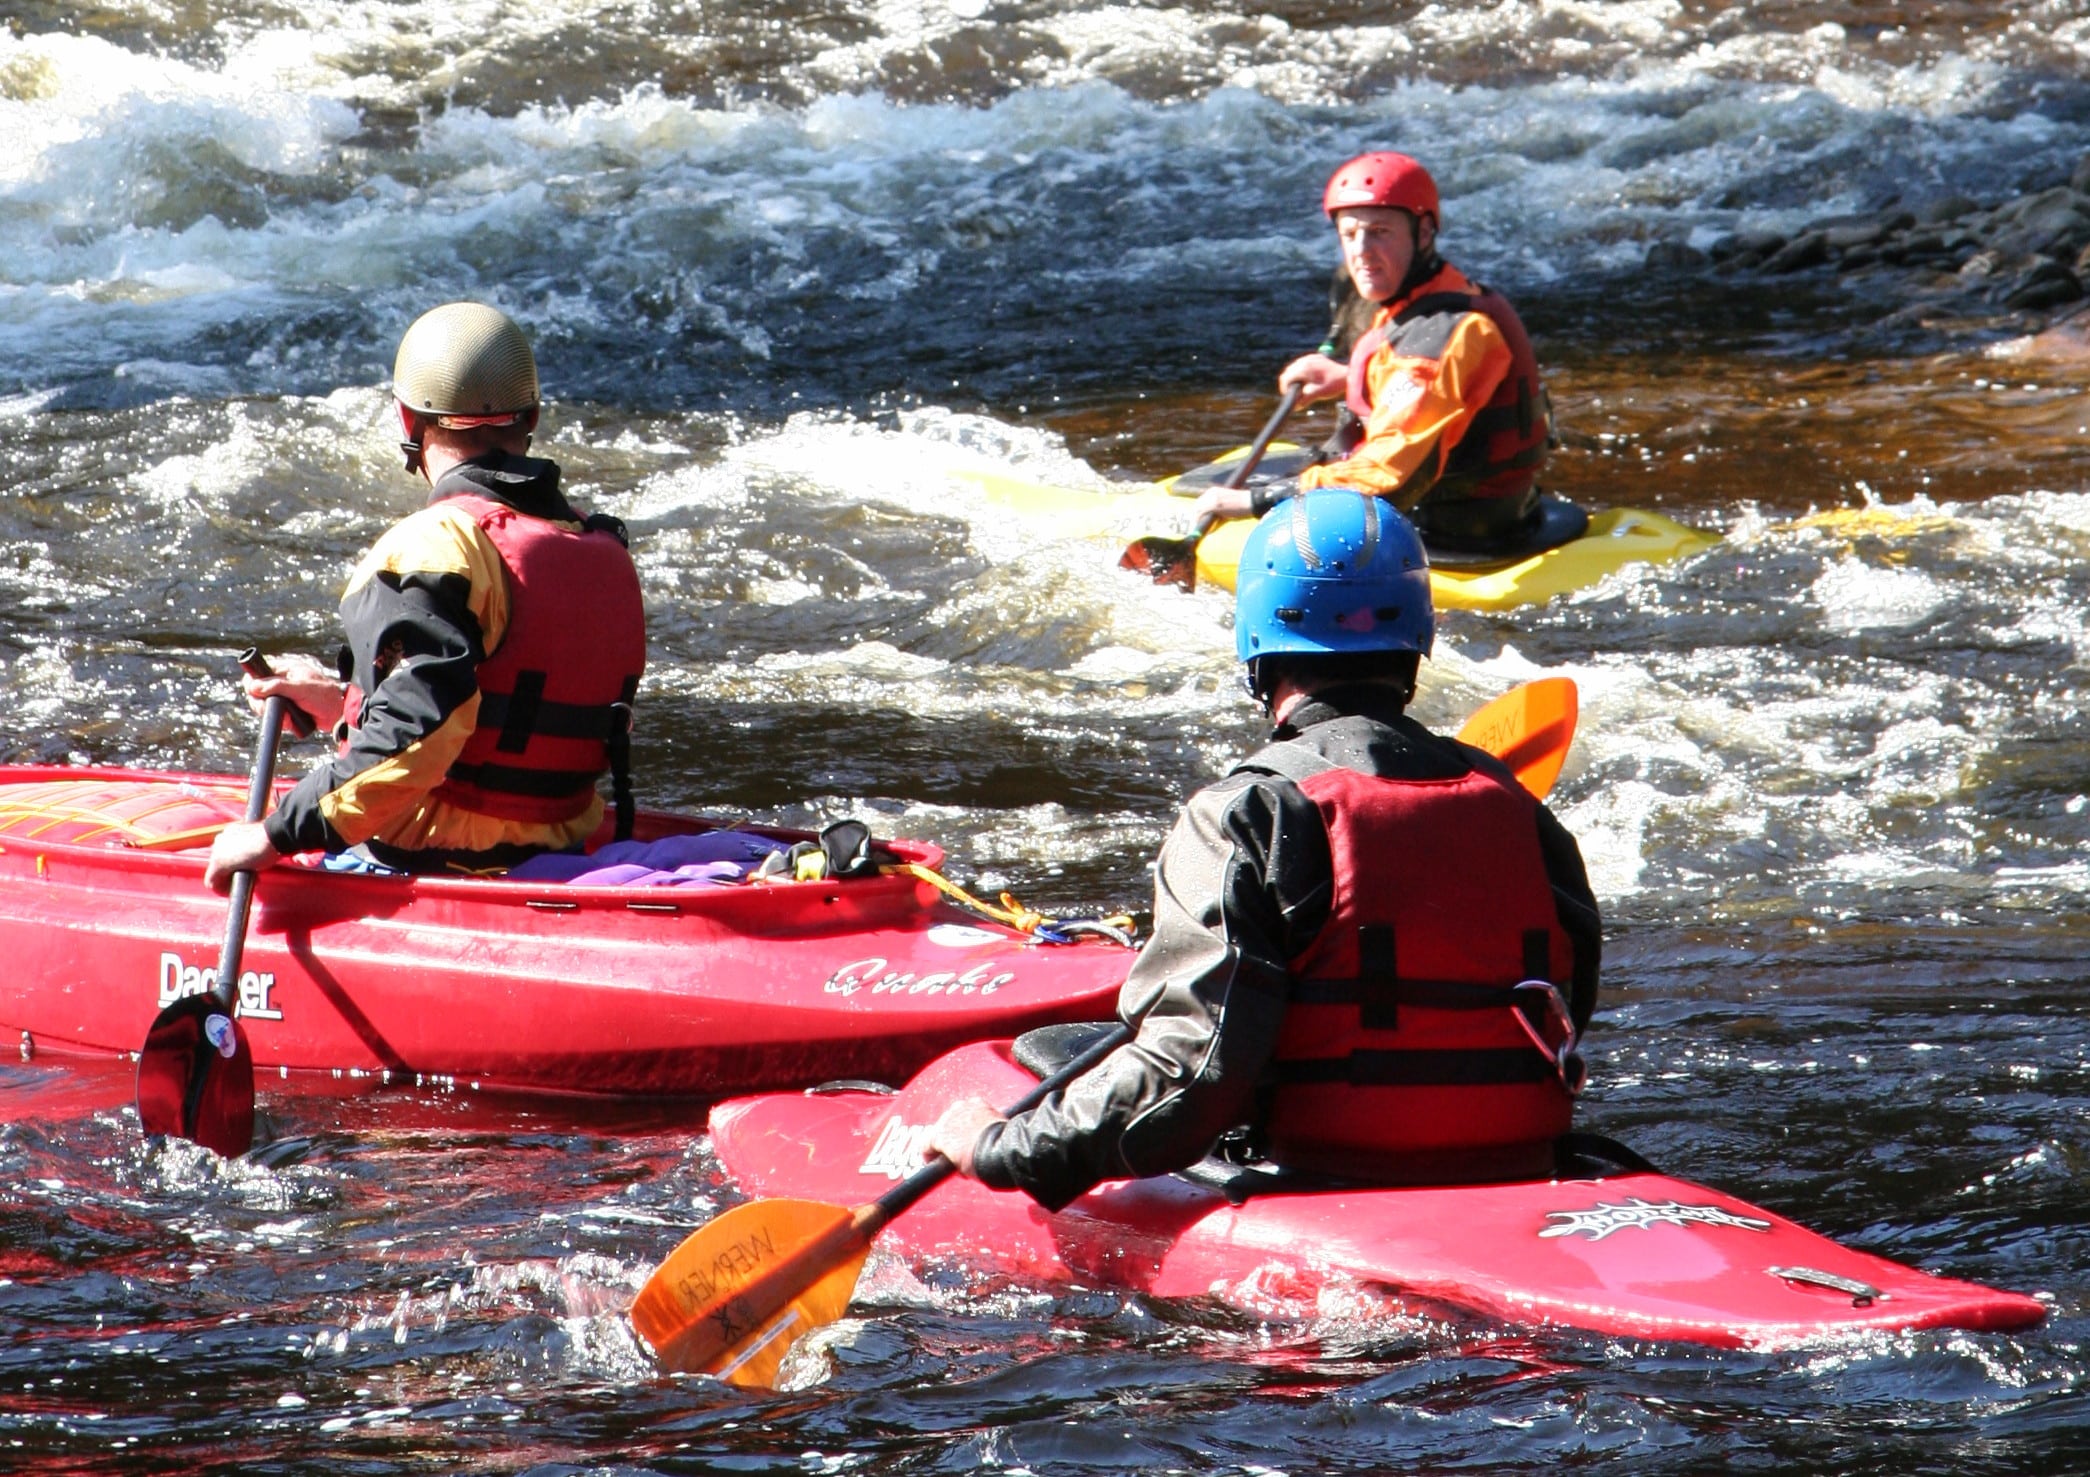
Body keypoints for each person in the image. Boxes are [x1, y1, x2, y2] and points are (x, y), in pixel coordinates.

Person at [927, 489, 1601, 1208]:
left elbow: (1189, 1076)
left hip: (1326, 1177)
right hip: (1522, 1167)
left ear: (1257, 639)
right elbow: (1570, 1005)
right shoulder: (1523, 813)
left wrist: (1001, 1148)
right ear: (1416, 637)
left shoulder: (1247, 812)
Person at [204, 302, 647, 890]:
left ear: (407, 421)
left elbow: (418, 732)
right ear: (533, 415)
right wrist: (343, 704)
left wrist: (276, 833)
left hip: (429, 866)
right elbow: (483, 715)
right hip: (558, 851)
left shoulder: (437, 544)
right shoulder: (598, 545)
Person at [1191, 152, 1559, 555]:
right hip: (1492, 511)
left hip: (1457, 534)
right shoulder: (1437, 295)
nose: (1361, 251)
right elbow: (1430, 389)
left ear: (1423, 233)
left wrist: (1256, 501)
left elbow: (1389, 478)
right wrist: (1349, 377)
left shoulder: (1446, 334)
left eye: (1380, 231)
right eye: (1350, 235)